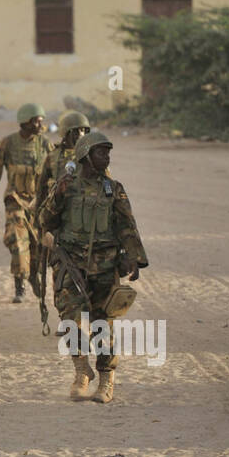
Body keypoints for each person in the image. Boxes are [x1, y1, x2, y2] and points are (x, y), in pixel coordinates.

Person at [37, 130, 149, 404]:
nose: (107, 157)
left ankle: (106, 379)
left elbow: (126, 226)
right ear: (86, 155)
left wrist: (132, 258)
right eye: (101, 152)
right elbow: (45, 220)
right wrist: (58, 195)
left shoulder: (114, 188)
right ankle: (80, 372)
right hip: (70, 263)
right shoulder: (66, 186)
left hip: (104, 264)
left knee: (102, 323)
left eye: (108, 152)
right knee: (69, 320)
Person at [0, 103, 50, 302]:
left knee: (38, 246)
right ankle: (19, 287)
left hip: (39, 203)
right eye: (37, 120)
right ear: (26, 122)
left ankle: (33, 276)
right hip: (15, 200)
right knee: (17, 242)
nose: (40, 124)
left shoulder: (45, 144)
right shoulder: (7, 143)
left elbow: (55, 172)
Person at [33, 110, 90, 217]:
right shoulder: (53, 157)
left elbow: (106, 184)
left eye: (83, 130)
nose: (80, 135)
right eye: (75, 131)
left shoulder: (91, 156)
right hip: (58, 211)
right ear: (65, 133)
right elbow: (41, 188)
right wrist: (38, 215)